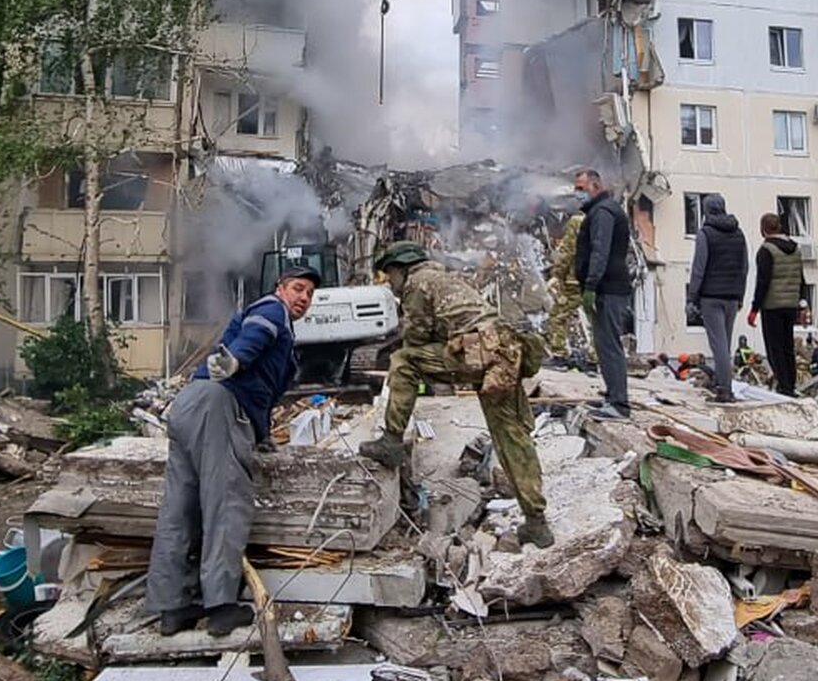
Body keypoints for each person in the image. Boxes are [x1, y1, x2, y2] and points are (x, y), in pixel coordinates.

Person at [146, 264, 320, 637]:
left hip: (189, 403)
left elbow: (264, 387)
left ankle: (173, 608)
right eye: (298, 289)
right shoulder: (271, 310)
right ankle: (221, 607)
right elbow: (253, 338)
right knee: (226, 503)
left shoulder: (278, 328)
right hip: (218, 405)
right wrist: (236, 359)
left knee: (180, 507)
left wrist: (261, 432)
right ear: (281, 288)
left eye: (310, 294)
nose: (304, 298)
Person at [359, 242, 553, 548]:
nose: (391, 285)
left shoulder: (417, 283)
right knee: (511, 436)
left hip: (480, 351)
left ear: (400, 269)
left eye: (390, 276)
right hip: (506, 353)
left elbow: (416, 339)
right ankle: (537, 523)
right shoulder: (445, 277)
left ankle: (392, 441)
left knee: (404, 361)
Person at [572, 170, 634, 421]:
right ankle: (612, 395)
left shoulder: (603, 212)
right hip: (606, 287)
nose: (577, 193)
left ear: (595, 186)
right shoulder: (601, 210)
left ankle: (619, 404)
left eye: (581, 188)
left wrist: (591, 285)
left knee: (609, 345)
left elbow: (600, 250)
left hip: (608, 288)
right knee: (604, 344)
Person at [686, 194, 748, 404]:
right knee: (726, 344)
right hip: (732, 297)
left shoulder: (706, 234)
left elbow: (698, 268)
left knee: (718, 345)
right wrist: (740, 295)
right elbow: (744, 267)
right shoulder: (738, 233)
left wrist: (692, 297)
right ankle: (724, 383)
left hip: (711, 297)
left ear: (706, 210)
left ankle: (724, 390)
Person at [746, 212, 804, 397]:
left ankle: (784, 386)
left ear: (763, 229)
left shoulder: (766, 250)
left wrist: (755, 308)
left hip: (772, 305)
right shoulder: (796, 249)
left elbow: (762, 281)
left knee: (774, 347)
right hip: (791, 304)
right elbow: (801, 278)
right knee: (788, 346)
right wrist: (801, 303)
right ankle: (791, 384)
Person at [546, 210, 588, 362]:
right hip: (597, 280)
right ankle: (595, 358)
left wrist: (557, 274)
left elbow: (568, 250)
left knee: (558, 315)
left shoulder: (577, 221)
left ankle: (559, 354)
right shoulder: (606, 222)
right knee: (596, 320)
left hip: (574, 280)